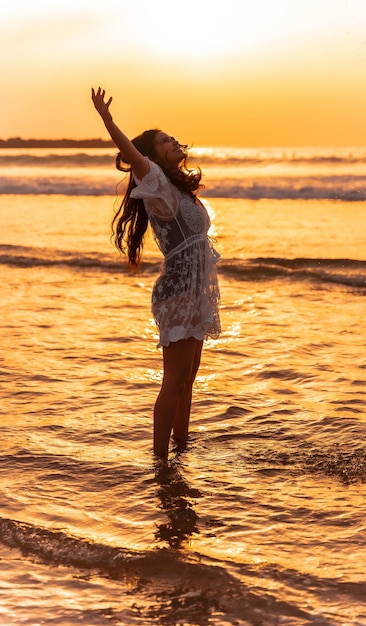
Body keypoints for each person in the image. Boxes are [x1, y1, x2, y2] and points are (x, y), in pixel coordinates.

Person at [91, 87, 221, 458]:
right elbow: (134, 155)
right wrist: (107, 120)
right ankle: (160, 461)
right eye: (165, 140)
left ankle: (182, 448)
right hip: (179, 293)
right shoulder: (158, 185)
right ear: (152, 156)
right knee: (174, 381)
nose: (174, 141)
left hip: (197, 292)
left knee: (188, 381)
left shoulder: (180, 190)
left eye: (173, 137)